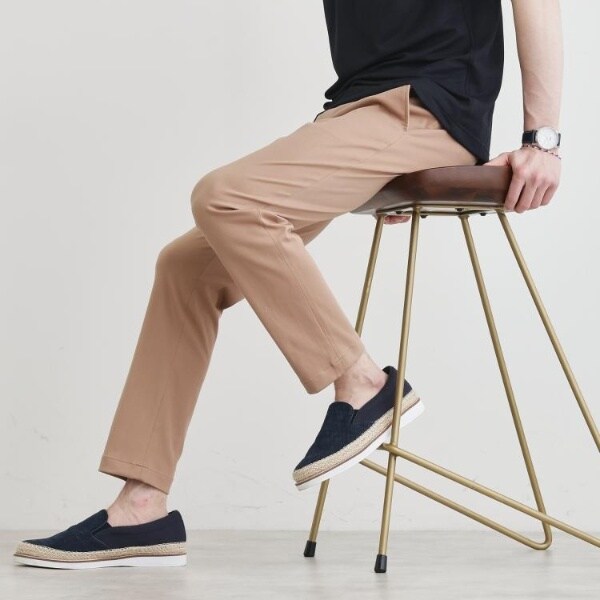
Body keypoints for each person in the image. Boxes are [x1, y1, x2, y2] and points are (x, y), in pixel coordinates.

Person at [13, 0, 562, 569]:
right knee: (184, 268)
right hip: (356, 116)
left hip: (427, 107)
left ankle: (365, 383)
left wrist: (542, 141)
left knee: (224, 198)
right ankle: (141, 508)